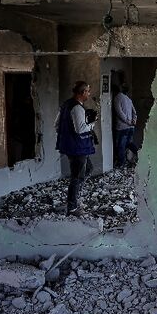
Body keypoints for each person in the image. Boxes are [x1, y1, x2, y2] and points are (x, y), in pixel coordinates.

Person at [55, 81, 97, 216]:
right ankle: (72, 207)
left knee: (88, 169)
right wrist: (92, 123)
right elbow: (81, 129)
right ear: (83, 92)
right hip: (78, 147)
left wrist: (67, 136)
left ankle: (75, 197)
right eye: (88, 91)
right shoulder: (77, 108)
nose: (89, 94)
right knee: (77, 176)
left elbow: (56, 125)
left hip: (71, 146)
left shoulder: (66, 105)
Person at [113, 84, 139, 167]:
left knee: (120, 146)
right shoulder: (128, 99)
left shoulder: (117, 98)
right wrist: (134, 120)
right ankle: (139, 154)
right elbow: (134, 112)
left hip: (122, 127)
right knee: (129, 143)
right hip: (131, 127)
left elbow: (119, 112)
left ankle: (121, 163)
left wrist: (128, 121)